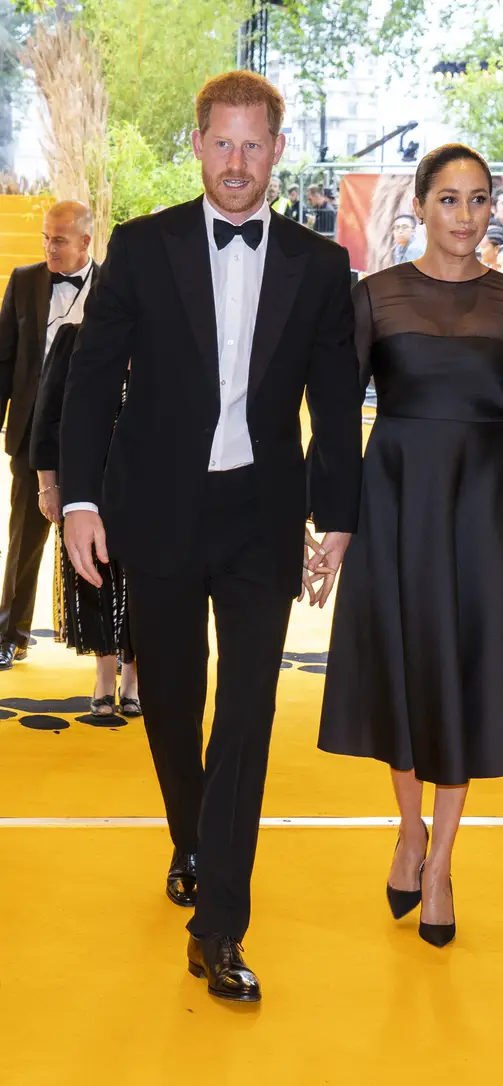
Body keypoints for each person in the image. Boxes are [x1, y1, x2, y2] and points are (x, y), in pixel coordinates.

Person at [59, 70, 362, 1002]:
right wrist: (78, 502)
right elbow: (91, 380)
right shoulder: (143, 249)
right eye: (221, 143)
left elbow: (334, 400)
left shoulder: (319, 265)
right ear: (198, 144)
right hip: (156, 509)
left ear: (277, 150)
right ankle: (191, 836)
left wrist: (338, 515)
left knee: (250, 715)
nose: (237, 163)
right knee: (177, 707)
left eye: (253, 145)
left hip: (260, 514)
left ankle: (219, 921)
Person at [317, 143, 503, 949]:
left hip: (483, 508)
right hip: (393, 498)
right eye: (449, 200)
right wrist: (330, 520)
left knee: (462, 675)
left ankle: (441, 867)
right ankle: (409, 831)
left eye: (478, 201)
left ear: (491, 208)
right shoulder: (376, 296)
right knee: (403, 668)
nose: (465, 216)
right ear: (421, 207)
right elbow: (334, 417)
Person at [0, 201, 95, 671]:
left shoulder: (114, 288)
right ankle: (10, 634)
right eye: (45, 237)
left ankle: (116, 651)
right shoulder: (24, 281)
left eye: (59, 239)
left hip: (94, 438)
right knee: (23, 541)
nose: (49, 247)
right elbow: (3, 361)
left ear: (85, 242)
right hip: (29, 438)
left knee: (108, 544)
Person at [30, 322, 141, 719]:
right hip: (86, 487)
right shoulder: (75, 337)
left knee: (144, 581)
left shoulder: (168, 332)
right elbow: (47, 417)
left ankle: (134, 676)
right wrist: (48, 485)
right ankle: (105, 675)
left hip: (150, 485)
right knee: (94, 577)